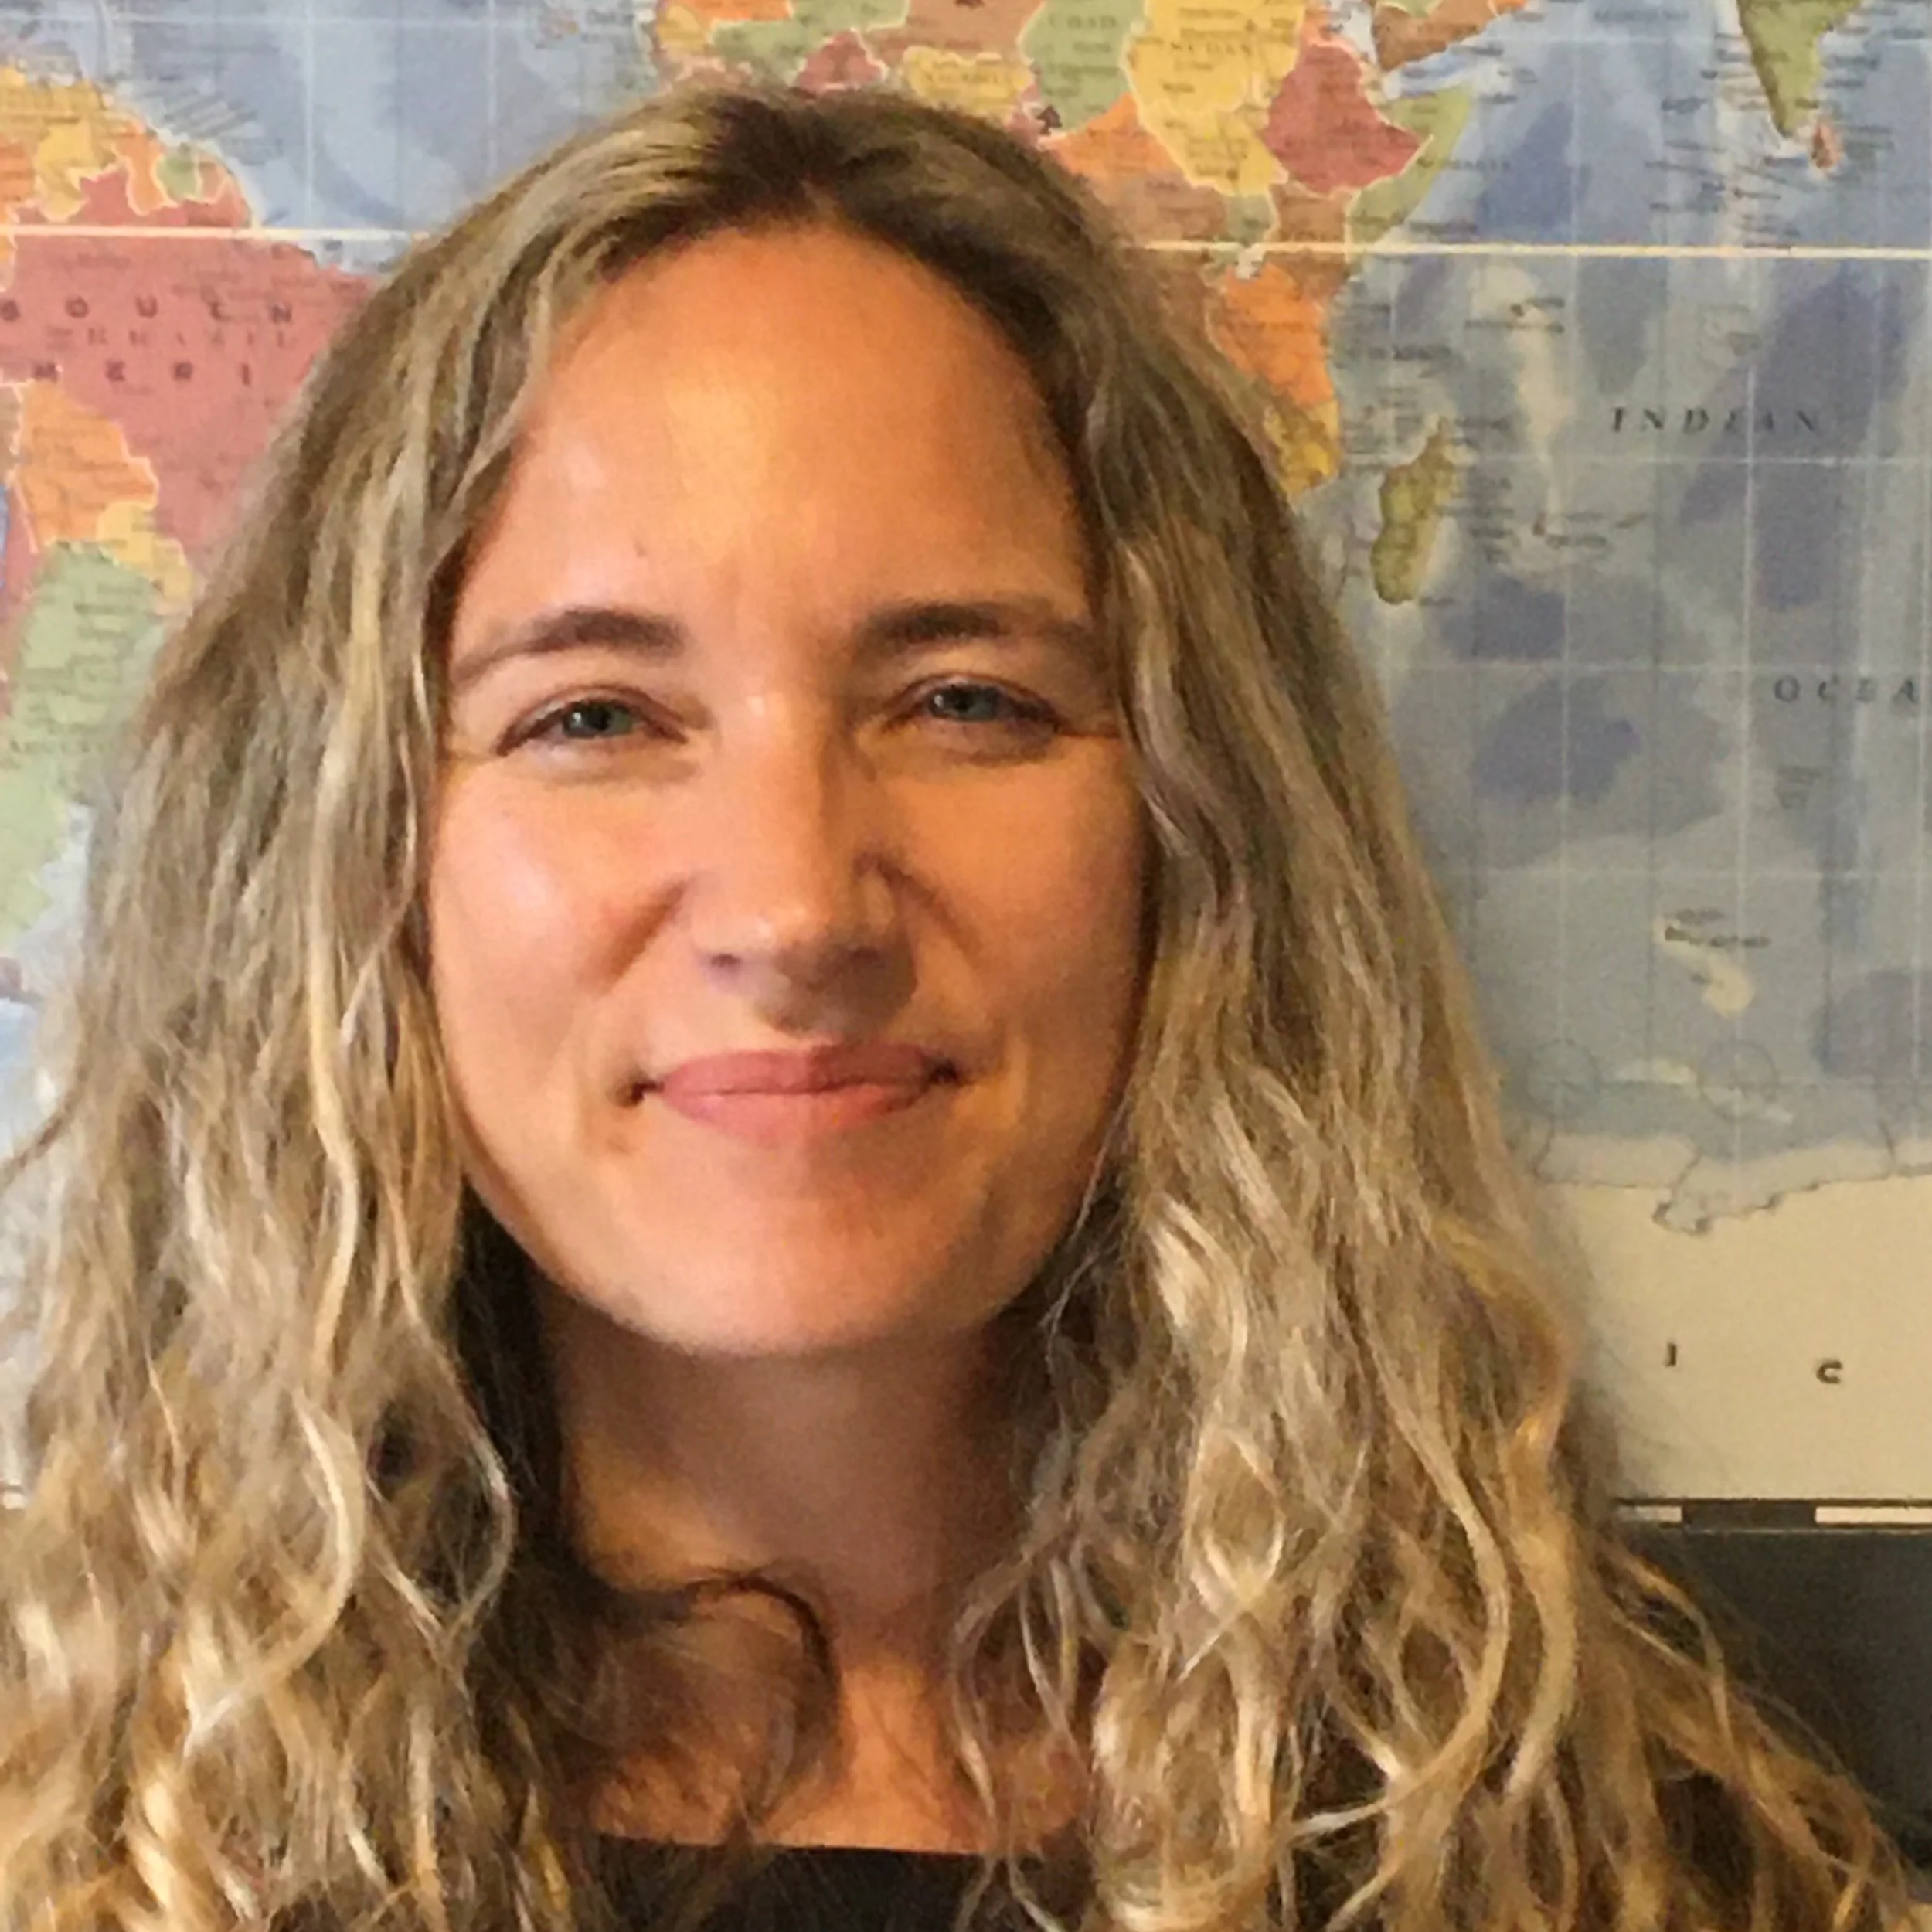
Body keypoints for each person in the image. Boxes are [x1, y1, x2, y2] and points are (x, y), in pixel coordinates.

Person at [0, 80, 1909, 1932]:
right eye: (593, 715)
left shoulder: (1630, 1862)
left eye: (964, 700)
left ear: (1197, 836)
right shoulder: (75, 1851)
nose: (793, 907)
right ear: (350, 857)